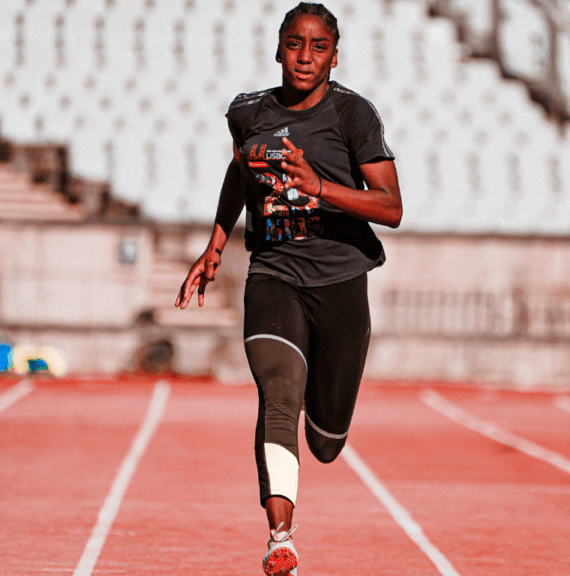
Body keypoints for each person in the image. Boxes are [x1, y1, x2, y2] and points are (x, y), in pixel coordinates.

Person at [175, 3, 402, 574]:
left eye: (318, 47)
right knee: (278, 393)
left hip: (341, 282)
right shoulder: (248, 113)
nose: (305, 57)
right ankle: (281, 539)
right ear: (278, 48)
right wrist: (217, 242)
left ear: (333, 56)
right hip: (274, 275)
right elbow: (239, 171)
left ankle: (318, 409)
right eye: (295, 44)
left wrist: (319, 186)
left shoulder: (353, 115)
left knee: (325, 442)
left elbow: (391, 207)